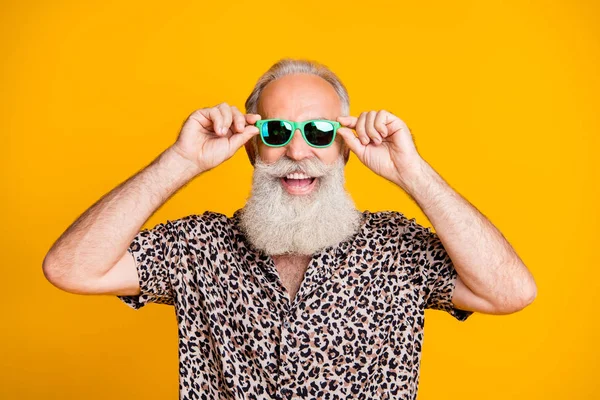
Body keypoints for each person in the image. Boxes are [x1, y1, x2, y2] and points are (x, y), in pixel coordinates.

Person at [43, 58, 537, 400]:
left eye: (319, 132)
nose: (297, 153)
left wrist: (414, 173)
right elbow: (70, 269)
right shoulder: (198, 248)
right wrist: (180, 162)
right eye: (276, 132)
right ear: (253, 147)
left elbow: (510, 292)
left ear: (344, 145)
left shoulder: (395, 248)